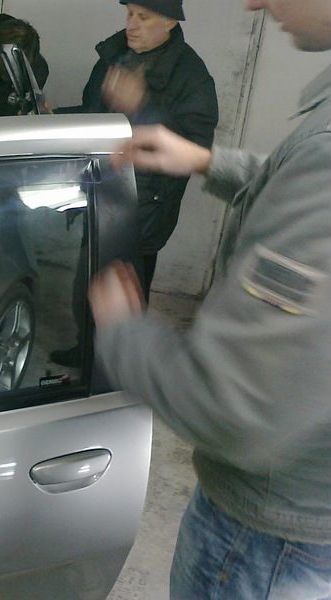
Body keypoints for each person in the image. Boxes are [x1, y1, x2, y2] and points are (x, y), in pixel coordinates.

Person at [88, 1, 331, 597]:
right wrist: (207, 162)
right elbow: (297, 177)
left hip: (267, 542)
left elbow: (237, 410)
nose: (254, 2)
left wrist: (123, 332)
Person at [56, 0, 218, 300]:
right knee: (85, 293)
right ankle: (84, 333)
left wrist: (141, 107)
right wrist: (52, 117)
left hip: (142, 213)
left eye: (143, 17)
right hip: (95, 195)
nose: (131, 24)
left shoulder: (192, 77)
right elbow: (93, 115)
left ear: (170, 21)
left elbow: (195, 150)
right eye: (129, 14)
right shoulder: (113, 56)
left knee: (126, 301)